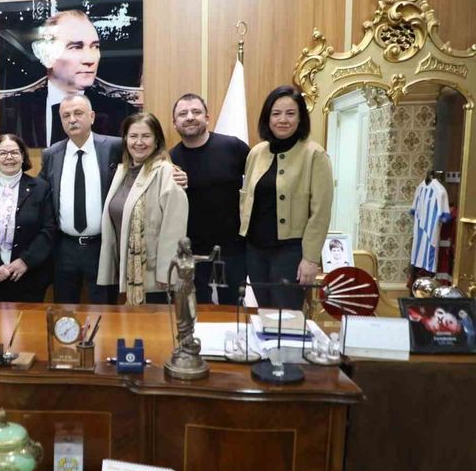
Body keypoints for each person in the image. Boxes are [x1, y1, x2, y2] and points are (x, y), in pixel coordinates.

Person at [40, 95, 186, 304]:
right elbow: (41, 191)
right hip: (64, 248)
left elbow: (150, 160)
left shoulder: (114, 147)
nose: (72, 119)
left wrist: (176, 174)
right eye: (66, 115)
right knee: (64, 309)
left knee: (105, 310)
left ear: (92, 116)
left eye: (78, 113)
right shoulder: (51, 154)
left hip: (103, 246)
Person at [239, 85, 333, 310]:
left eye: (290, 113)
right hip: (255, 251)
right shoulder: (256, 153)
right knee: (264, 312)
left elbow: (320, 213)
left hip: (291, 253)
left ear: (300, 118)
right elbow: (246, 200)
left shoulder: (314, 155)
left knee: (287, 317)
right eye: (276, 113)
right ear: (267, 118)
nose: (283, 120)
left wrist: (311, 258)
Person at [0, 9, 137, 147]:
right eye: (76, 47)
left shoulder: (122, 114)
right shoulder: (10, 111)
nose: (90, 59)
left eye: (95, 46)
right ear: (48, 55)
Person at [97, 112, 188, 305]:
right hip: (124, 271)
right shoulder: (122, 172)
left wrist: (167, 274)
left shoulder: (167, 173)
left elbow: (174, 231)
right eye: (133, 136)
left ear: (157, 141)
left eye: (146, 136)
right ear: (125, 140)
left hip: (155, 278)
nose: (139, 142)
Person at [169, 93, 249, 305]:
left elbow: (258, 185)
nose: (189, 117)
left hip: (233, 250)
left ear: (207, 118)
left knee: (232, 310)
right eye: (183, 114)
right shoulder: (170, 159)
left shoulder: (233, 147)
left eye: (196, 112)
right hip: (191, 253)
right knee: (197, 310)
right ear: (174, 123)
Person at [0, 134, 56, 302]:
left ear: (23, 156)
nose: (9, 157)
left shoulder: (40, 188)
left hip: (29, 276)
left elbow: (48, 230)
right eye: (3, 153)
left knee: (28, 319)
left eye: (14, 152)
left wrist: (25, 261)